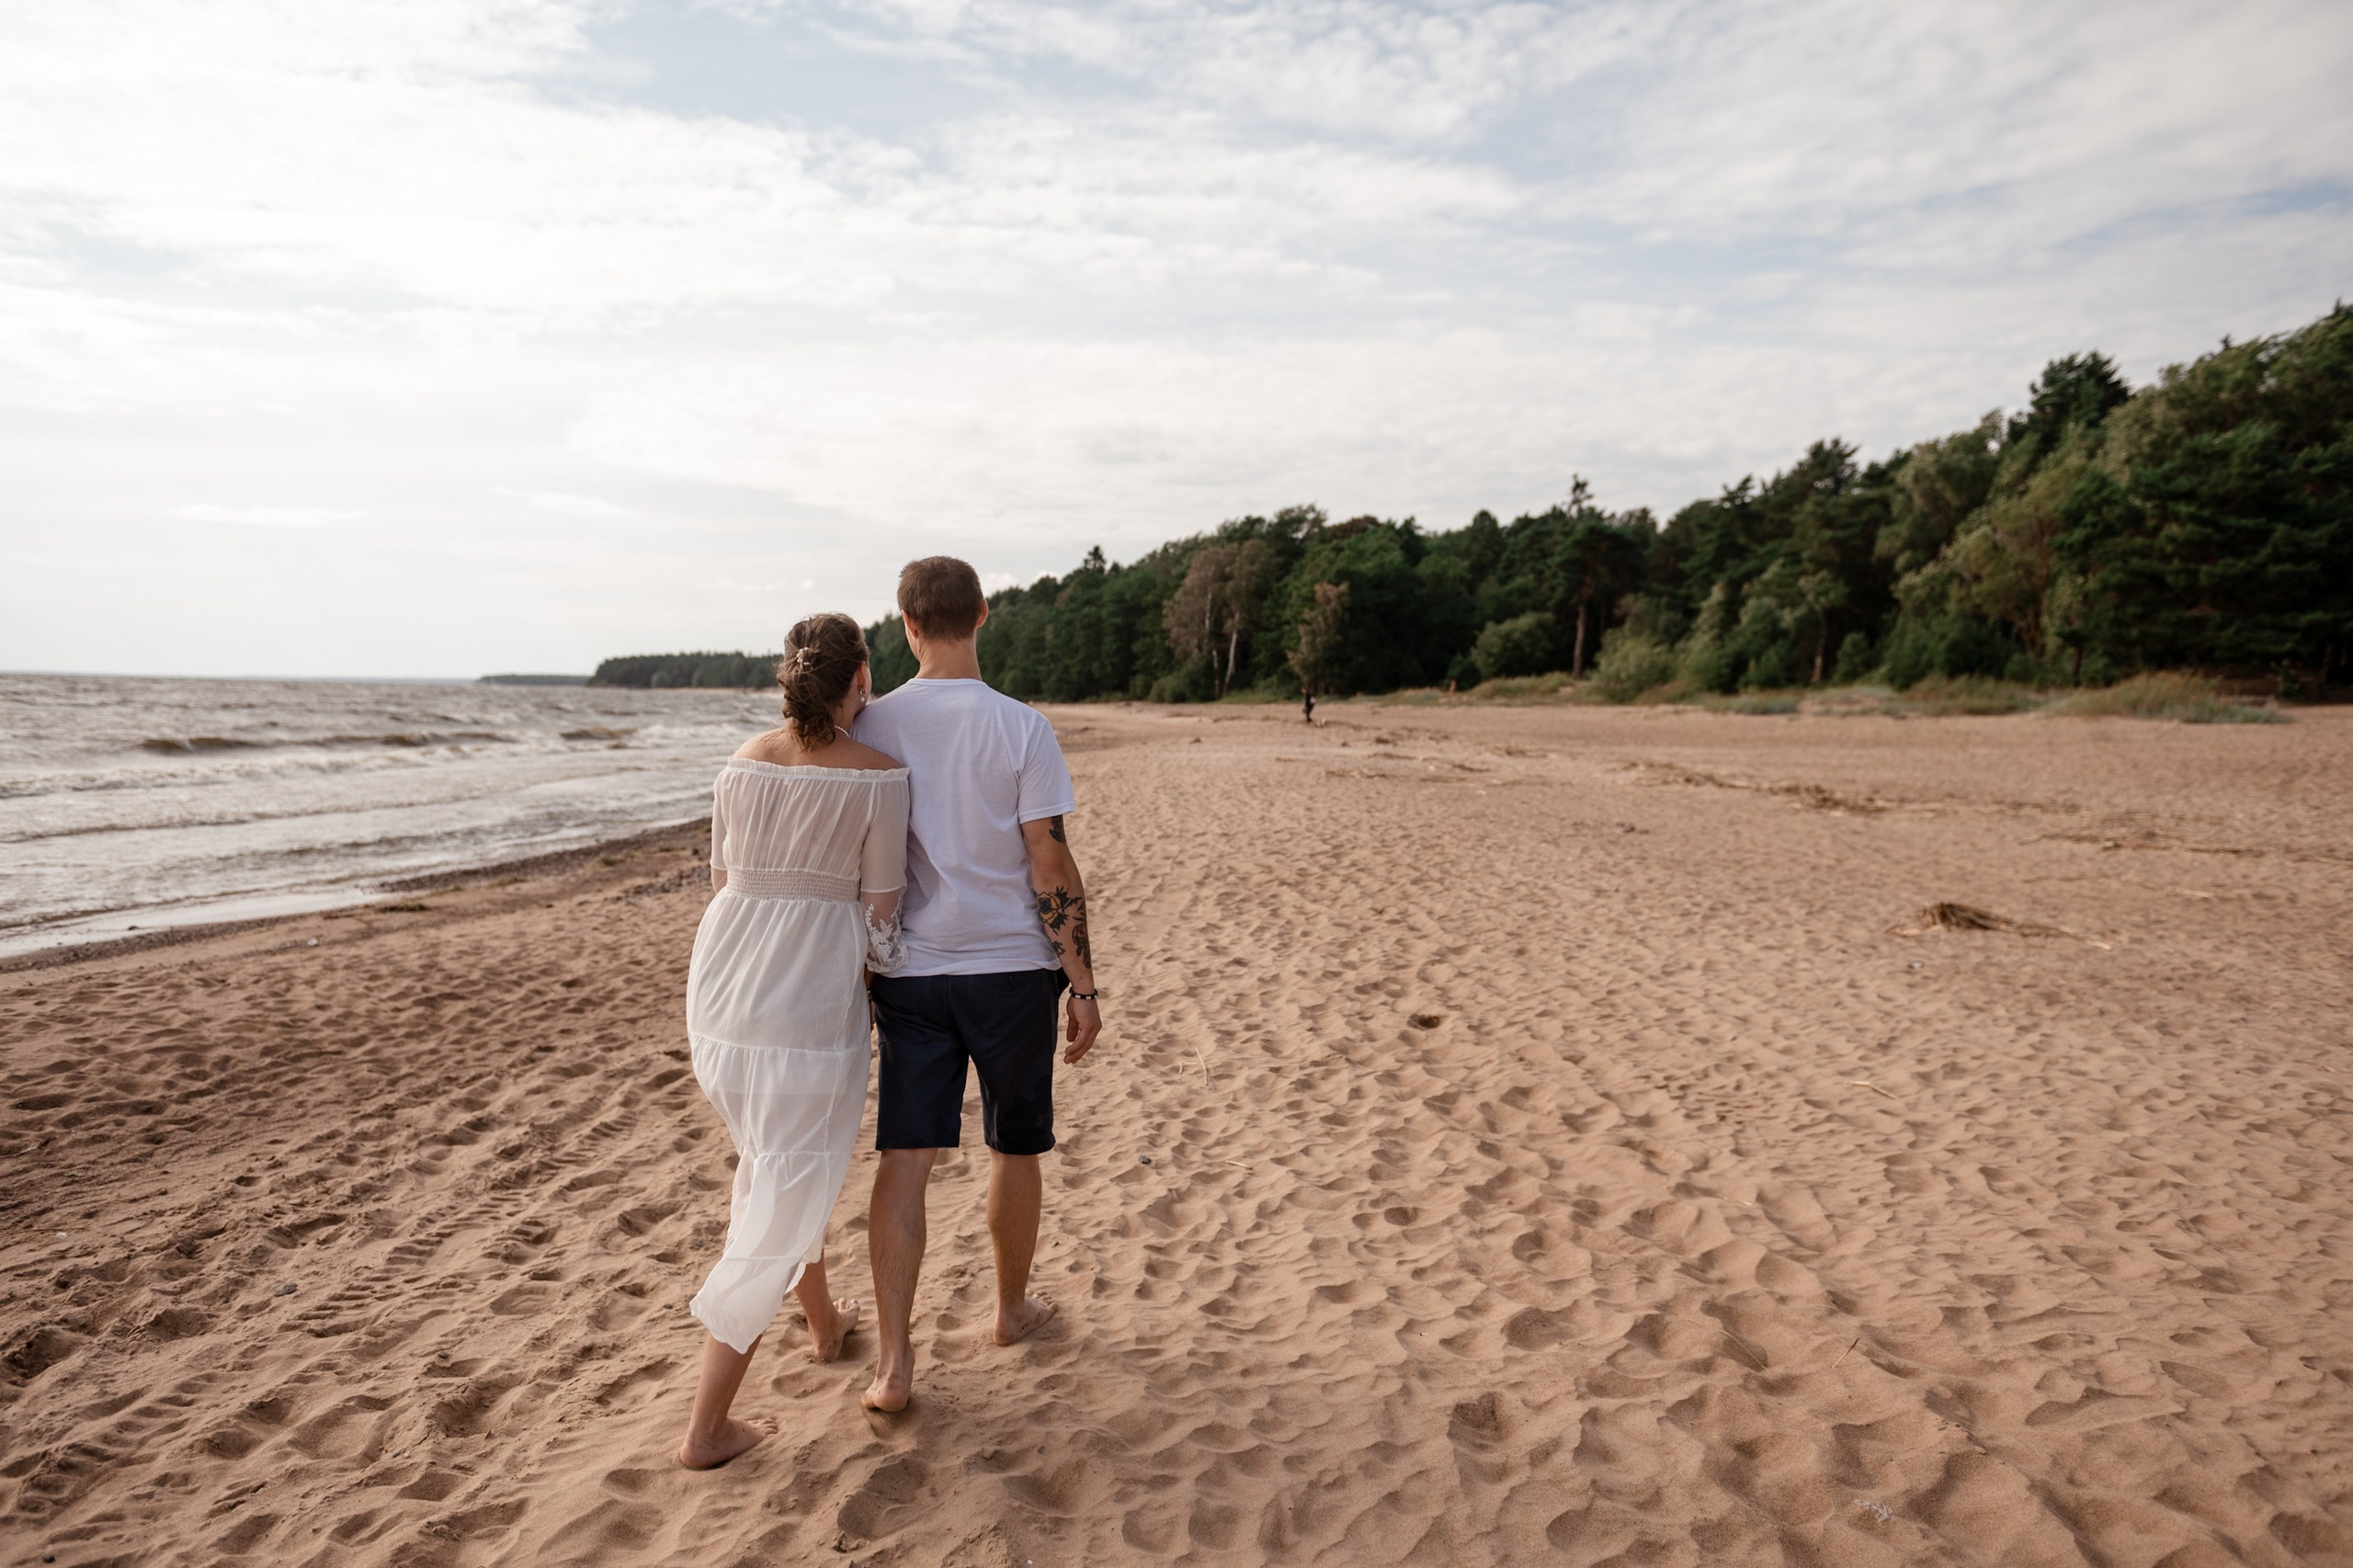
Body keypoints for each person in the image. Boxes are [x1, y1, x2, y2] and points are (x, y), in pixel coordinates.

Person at [851, 556, 1103, 1414]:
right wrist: (1082, 979)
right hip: (1010, 971)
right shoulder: (1022, 727)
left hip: (912, 976)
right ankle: (1008, 1309)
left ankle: (892, 1364)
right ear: (984, 615)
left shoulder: (872, 726)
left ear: (907, 624)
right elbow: (1048, 857)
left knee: (905, 1157)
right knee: (1015, 1145)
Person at [676, 613, 911, 1469]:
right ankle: (705, 1430)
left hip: (722, 991)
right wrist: (882, 977)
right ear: (860, 682)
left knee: (773, 1163)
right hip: (804, 1006)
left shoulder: (741, 762)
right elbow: (884, 912)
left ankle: (822, 1324)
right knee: (779, 1189)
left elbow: (723, 880)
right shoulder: (880, 777)